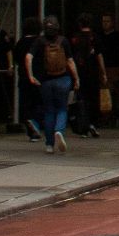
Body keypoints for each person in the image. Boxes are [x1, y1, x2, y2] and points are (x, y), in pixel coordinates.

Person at [25, 19, 77, 154]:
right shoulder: (63, 41)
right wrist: (76, 78)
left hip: (46, 81)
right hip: (63, 79)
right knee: (62, 108)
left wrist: (31, 75)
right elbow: (70, 61)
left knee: (49, 111)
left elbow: (28, 57)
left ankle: (49, 144)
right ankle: (59, 130)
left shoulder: (39, 41)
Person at [67, 14, 106, 138]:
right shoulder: (95, 38)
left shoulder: (75, 38)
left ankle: (82, 125)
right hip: (93, 72)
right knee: (93, 98)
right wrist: (103, 73)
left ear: (80, 24)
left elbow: (70, 58)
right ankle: (93, 123)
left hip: (79, 72)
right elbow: (99, 56)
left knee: (81, 99)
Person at [13, 17, 43, 140]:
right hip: (38, 76)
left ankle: (29, 123)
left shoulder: (20, 42)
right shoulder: (40, 41)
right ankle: (35, 125)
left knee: (26, 103)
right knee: (38, 103)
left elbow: (16, 59)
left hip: (24, 76)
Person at [96, 13, 119, 120]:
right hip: (103, 67)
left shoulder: (117, 36)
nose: (105, 24)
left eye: (107, 21)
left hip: (114, 67)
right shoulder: (99, 36)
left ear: (112, 23)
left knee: (114, 90)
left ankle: (115, 113)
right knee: (104, 90)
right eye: (103, 22)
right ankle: (105, 114)